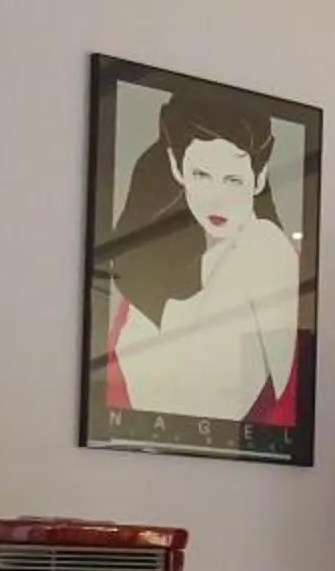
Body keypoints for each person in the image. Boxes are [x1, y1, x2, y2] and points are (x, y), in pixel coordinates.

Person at [99, 86, 302, 426]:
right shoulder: (151, 274)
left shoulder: (266, 249)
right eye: (202, 176)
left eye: (233, 180)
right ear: (178, 170)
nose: (216, 199)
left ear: (258, 178)